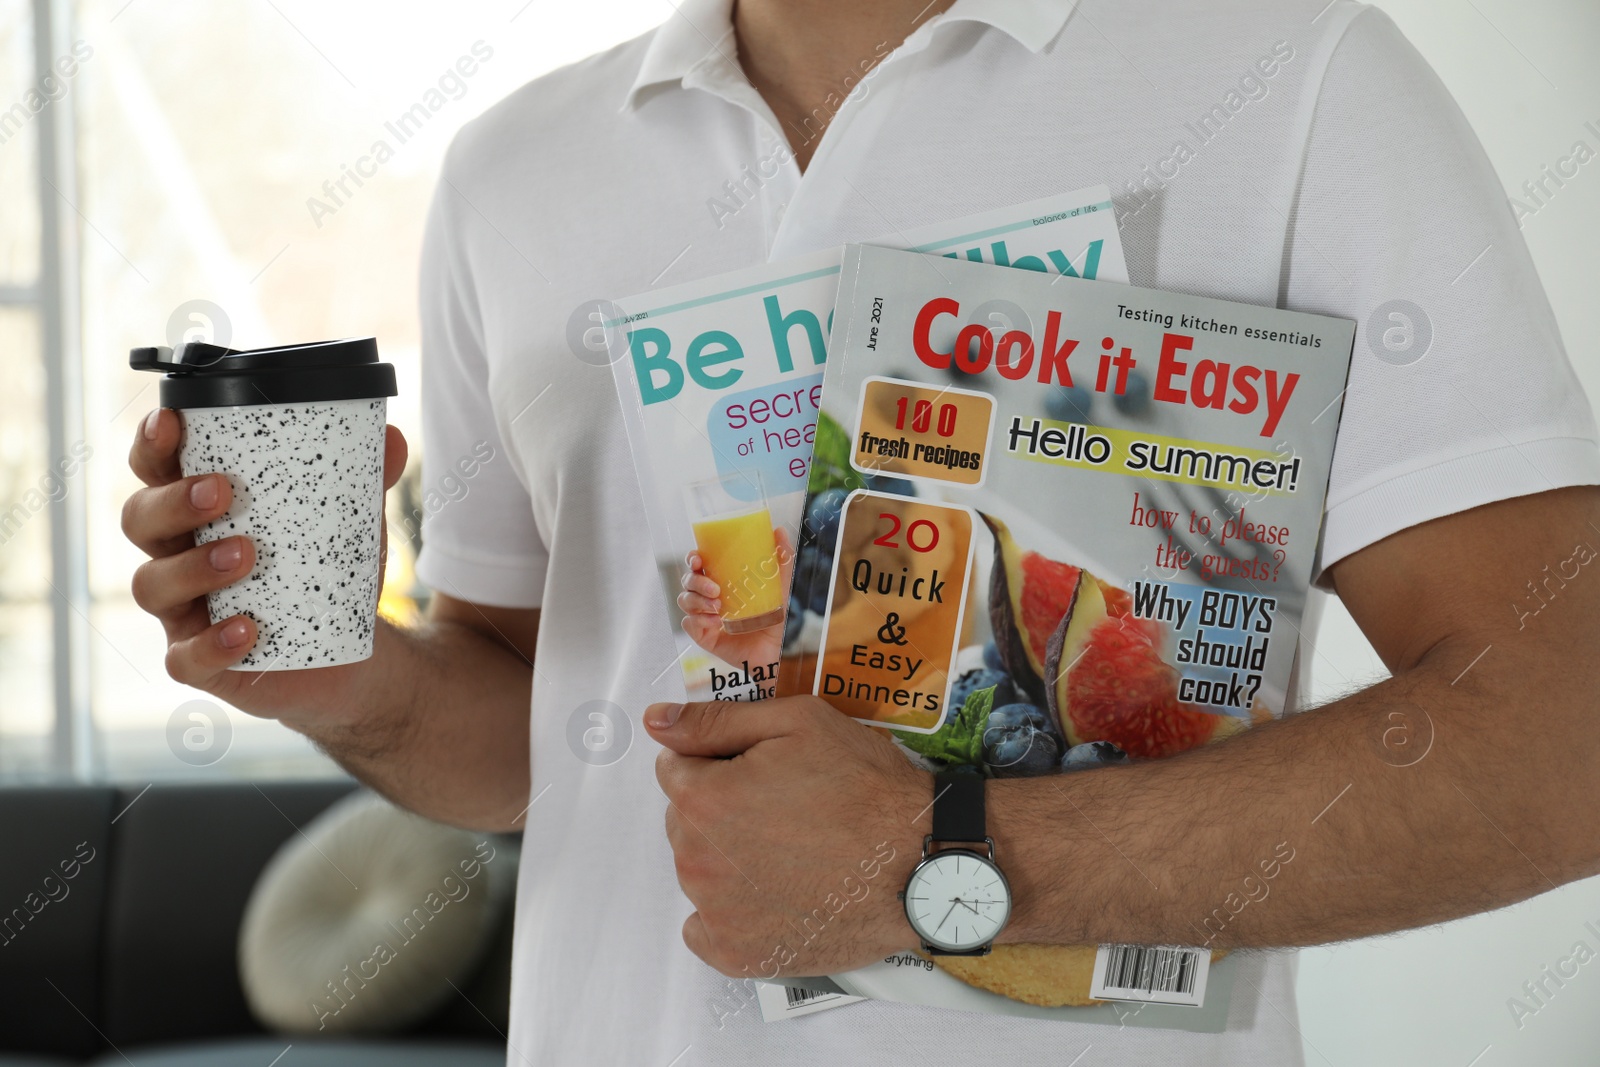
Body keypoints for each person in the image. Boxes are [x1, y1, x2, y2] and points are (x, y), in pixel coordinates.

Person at [122, 0, 1600, 1063]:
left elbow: (1566, 735)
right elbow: (541, 730)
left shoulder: (1298, 73)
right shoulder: (517, 169)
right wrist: (347, 688)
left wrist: (939, 850)